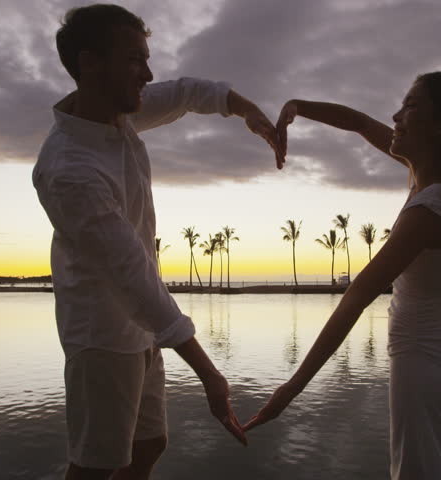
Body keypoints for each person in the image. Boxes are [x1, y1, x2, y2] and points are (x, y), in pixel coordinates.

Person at [243, 72, 441, 479]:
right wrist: (297, 108)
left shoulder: (431, 210)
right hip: (436, 347)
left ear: (440, 126)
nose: (396, 117)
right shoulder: (432, 177)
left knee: (419, 471)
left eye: (411, 107)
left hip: (423, 357)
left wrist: (291, 388)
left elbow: (357, 295)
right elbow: (360, 123)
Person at [32, 4, 283, 479]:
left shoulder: (116, 116)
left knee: (150, 444)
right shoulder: (70, 170)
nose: (147, 75)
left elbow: (188, 91)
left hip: (143, 329)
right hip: (101, 337)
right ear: (90, 63)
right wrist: (209, 373)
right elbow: (133, 277)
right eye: (134, 60)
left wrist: (247, 110)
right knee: (94, 467)